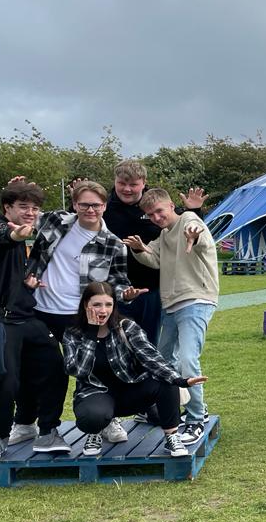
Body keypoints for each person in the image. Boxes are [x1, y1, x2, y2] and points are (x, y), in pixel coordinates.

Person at [12, 179, 144, 453]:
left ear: (104, 206)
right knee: (35, 369)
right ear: (74, 204)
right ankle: (25, 423)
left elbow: (117, 281)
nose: (90, 210)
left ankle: (107, 419)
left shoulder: (113, 244)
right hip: (40, 310)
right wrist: (15, 190)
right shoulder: (55, 221)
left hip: (82, 316)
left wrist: (125, 294)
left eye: (96, 205)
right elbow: (21, 214)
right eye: (84, 204)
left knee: (98, 367)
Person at [0, 180, 68, 462]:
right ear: (7, 207)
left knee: (54, 365)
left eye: (34, 208)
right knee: (6, 381)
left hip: (23, 317)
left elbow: (5, 277)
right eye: (23, 206)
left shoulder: (22, 238)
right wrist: (15, 236)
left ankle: (48, 431)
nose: (30, 212)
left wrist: (26, 286)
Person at [64, 282, 207, 457]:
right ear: (86, 305)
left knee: (166, 381)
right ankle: (96, 432)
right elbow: (77, 370)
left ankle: (172, 437)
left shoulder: (126, 326)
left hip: (131, 391)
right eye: (97, 305)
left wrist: (180, 380)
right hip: (96, 394)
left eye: (108, 304)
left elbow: (150, 357)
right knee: (91, 418)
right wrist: (91, 334)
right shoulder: (73, 333)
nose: (103, 310)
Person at [123, 188, 219, 446]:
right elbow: (153, 260)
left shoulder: (189, 221)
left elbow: (199, 238)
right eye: (150, 214)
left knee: (188, 360)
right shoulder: (164, 235)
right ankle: (171, 414)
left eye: (159, 211)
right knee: (164, 361)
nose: (156, 217)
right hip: (172, 304)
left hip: (195, 300)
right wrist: (139, 249)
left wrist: (193, 238)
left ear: (171, 206)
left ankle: (197, 417)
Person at [104, 159, 208, 345]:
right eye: (122, 183)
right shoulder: (104, 207)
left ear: (143, 182)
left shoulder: (155, 205)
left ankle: (149, 375)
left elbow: (185, 228)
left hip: (151, 288)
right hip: (114, 288)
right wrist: (74, 204)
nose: (127, 189)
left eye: (133, 184)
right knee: (116, 343)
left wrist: (195, 211)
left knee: (148, 343)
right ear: (115, 181)